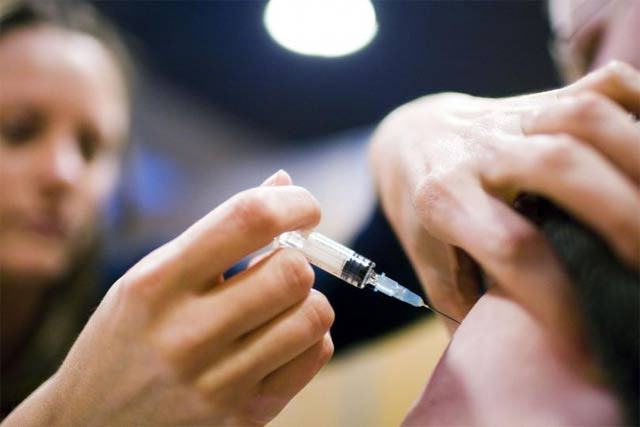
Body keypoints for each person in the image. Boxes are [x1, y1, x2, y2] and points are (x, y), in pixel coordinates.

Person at [0, 2, 334, 425]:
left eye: (90, 147)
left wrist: (397, 140)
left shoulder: (132, 296)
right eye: (19, 130)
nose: (63, 174)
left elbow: (339, 303)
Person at [369, 0, 639, 424]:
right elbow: (324, 300)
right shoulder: (525, 205)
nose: (606, 73)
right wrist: (409, 128)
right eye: (579, 52)